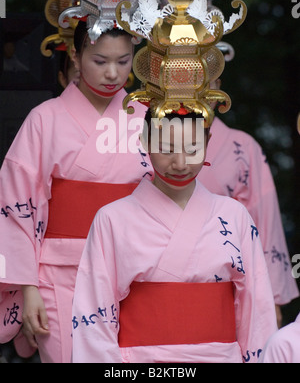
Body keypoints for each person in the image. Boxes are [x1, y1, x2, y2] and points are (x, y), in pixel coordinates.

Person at [0, 20, 153, 363]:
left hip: (133, 273)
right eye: (100, 61)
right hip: (57, 275)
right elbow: (14, 207)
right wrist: (28, 289)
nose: (113, 73)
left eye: (124, 61)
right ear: (75, 54)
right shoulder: (45, 119)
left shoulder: (145, 120)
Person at [72, 110, 277, 363]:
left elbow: (257, 309)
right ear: (145, 141)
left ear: (208, 141)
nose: (180, 164)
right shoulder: (112, 218)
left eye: (193, 149)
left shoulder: (235, 215)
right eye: (167, 150)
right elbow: (94, 314)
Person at [198, 80, 299, 327]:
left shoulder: (242, 147)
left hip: (225, 281)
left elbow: (265, 223)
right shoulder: (143, 139)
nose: (197, 90)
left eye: (206, 81)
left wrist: (271, 297)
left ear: (219, 85)